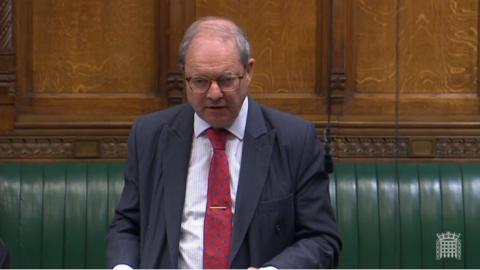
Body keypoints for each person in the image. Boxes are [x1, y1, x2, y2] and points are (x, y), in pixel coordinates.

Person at [107, 16, 341, 269]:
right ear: (184, 75)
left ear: (249, 71)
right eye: (200, 81)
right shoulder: (149, 135)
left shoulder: (295, 140)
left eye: (226, 80)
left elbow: (321, 239)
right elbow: (127, 225)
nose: (214, 94)